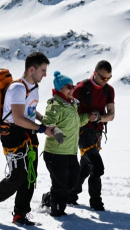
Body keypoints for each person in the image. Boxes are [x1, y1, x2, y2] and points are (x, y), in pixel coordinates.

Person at [0, 52, 54, 226]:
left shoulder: (33, 87)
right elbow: (19, 117)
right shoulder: (18, 88)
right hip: (13, 135)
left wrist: (42, 119)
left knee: (30, 174)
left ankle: (20, 214)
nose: (44, 74)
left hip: (28, 133)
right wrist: (43, 128)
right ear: (32, 69)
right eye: (42, 70)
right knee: (17, 176)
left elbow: (29, 110)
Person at [39, 71, 99, 217]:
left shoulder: (71, 105)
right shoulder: (55, 105)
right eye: (68, 87)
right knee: (60, 185)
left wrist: (88, 117)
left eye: (72, 86)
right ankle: (57, 211)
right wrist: (56, 130)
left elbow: (77, 122)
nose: (72, 89)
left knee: (72, 183)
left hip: (71, 152)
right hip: (56, 153)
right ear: (60, 89)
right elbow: (47, 122)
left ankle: (49, 197)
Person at [68, 60, 115, 211]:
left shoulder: (109, 90)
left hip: (97, 133)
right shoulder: (80, 89)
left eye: (108, 78)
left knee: (85, 167)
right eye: (103, 78)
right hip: (83, 133)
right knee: (97, 167)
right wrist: (87, 117)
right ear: (95, 73)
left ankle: (69, 195)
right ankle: (96, 203)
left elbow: (112, 115)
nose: (105, 81)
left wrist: (100, 118)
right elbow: (70, 113)